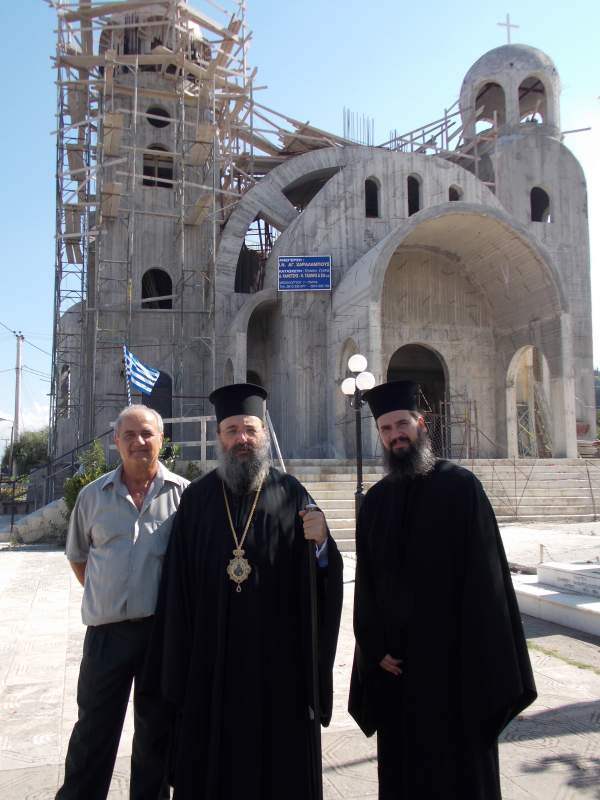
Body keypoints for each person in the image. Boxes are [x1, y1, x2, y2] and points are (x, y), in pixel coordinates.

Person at [149, 383, 343, 799]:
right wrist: (177, 669)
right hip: (210, 662)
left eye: (250, 429)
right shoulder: (197, 500)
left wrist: (323, 544)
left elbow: (321, 578)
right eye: (232, 430)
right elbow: (177, 587)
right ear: (220, 436)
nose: (242, 439)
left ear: (264, 434)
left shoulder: (291, 493)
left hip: (278, 666)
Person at [348, 380, 537, 800]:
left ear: (421, 424)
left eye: (402, 424)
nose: (395, 435)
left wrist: (476, 655)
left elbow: (488, 579)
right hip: (399, 674)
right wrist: (374, 647)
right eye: (385, 429)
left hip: (456, 673)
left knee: (461, 776)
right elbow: (368, 585)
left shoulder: (461, 487)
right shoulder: (375, 502)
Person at [57, 405, 189, 800]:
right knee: (93, 731)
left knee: (156, 732)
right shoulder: (92, 496)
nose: (139, 441)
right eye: (129, 434)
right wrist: (109, 594)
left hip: (159, 635)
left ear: (161, 439)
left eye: (147, 433)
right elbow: (79, 557)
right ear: (116, 441)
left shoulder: (184, 496)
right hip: (106, 636)